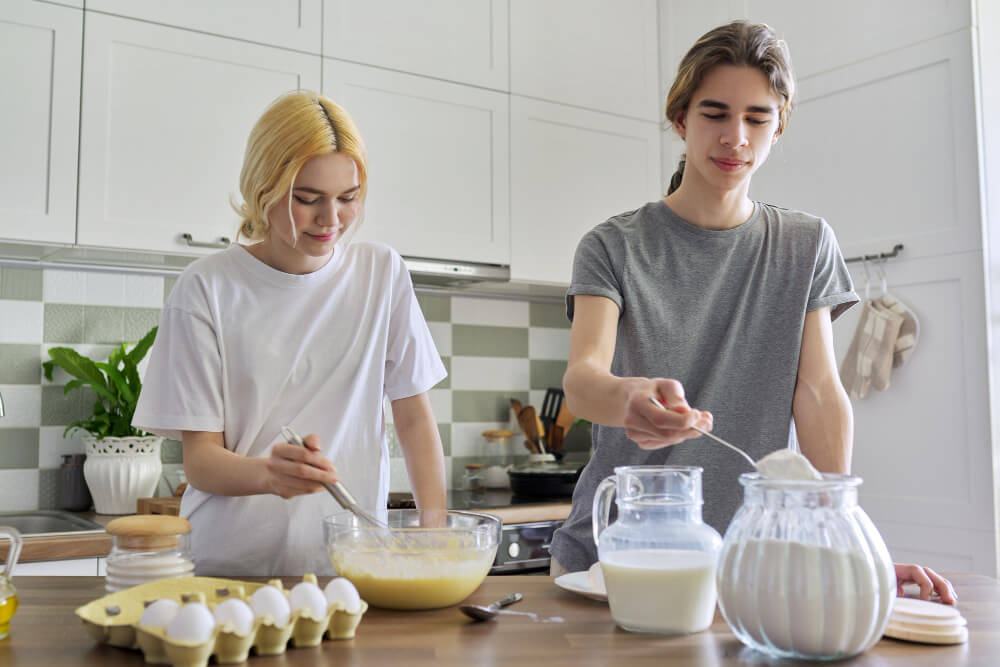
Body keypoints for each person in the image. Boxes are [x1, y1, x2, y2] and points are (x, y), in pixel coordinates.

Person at [548, 20, 956, 603]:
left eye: (757, 118)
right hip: (612, 561)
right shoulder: (612, 245)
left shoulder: (805, 243)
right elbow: (584, 382)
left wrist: (850, 545)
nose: (735, 137)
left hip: (754, 563)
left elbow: (817, 394)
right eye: (714, 114)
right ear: (680, 119)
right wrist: (627, 397)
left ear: (779, 124)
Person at [132, 90, 447, 576]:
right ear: (263, 188)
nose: (331, 219)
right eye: (307, 199)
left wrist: (436, 532)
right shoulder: (207, 287)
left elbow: (413, 419)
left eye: (349, 198)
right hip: (231, 569)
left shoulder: (382, 274)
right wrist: (268, 474)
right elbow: (200, 461)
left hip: (352, 567)